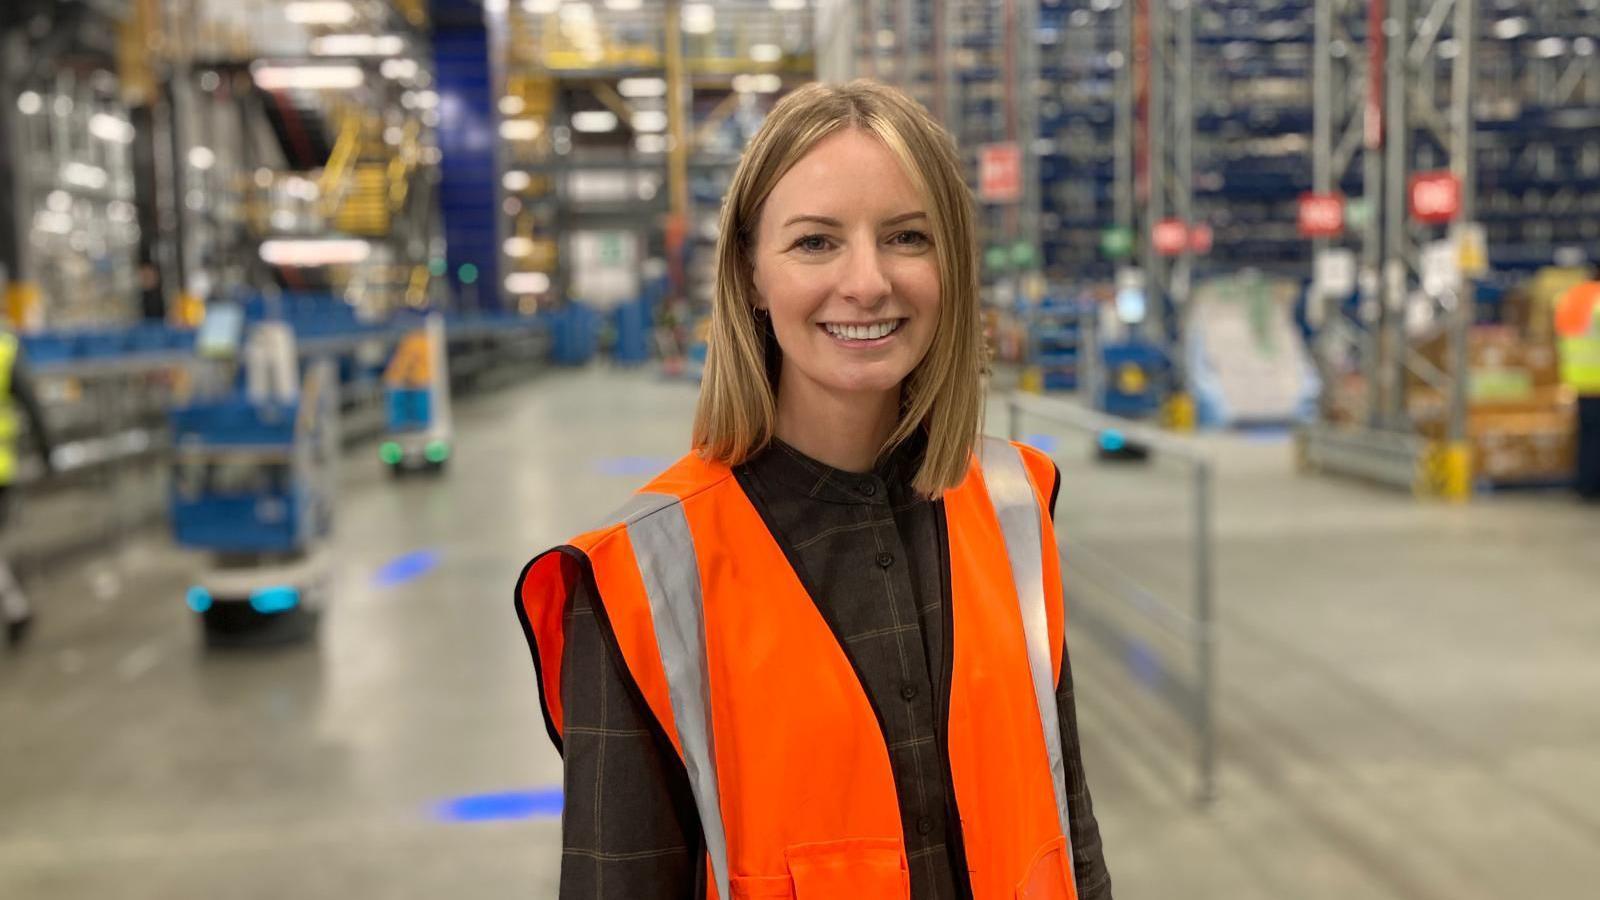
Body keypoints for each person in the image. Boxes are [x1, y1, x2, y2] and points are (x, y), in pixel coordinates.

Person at [516, 80, 1112, 900]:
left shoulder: (1013, 501)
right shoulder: (641, 579)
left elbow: (1067, 824)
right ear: (751, 277)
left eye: (907, 236)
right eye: (815, 243)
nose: (867, 282)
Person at [0, 325, 55, 645]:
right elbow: (32, 403)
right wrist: (46, 448)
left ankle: (16, 609)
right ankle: (16, 609)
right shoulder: (6, 348)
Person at [1554, 280, 1600, 499]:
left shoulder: (1570, 298)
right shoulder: (1598, 301)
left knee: (1587, 437)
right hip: (1597, 381)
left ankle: (1585, 484)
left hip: (1579, 380)